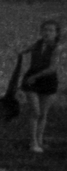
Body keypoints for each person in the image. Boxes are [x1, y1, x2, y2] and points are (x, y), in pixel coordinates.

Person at [22, 19, 59, 153]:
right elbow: (27, 49)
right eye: (45, 29)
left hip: (47, 81)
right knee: (35, 112)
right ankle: (33, 142)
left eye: (51, 30)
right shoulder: (37, 44)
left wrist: (35, 76)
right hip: (31, 81)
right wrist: (22, 52)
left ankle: (39, 140)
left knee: (43, 113)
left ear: (56, 33)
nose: (47, 32)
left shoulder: (57, 48)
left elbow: (52, 68)